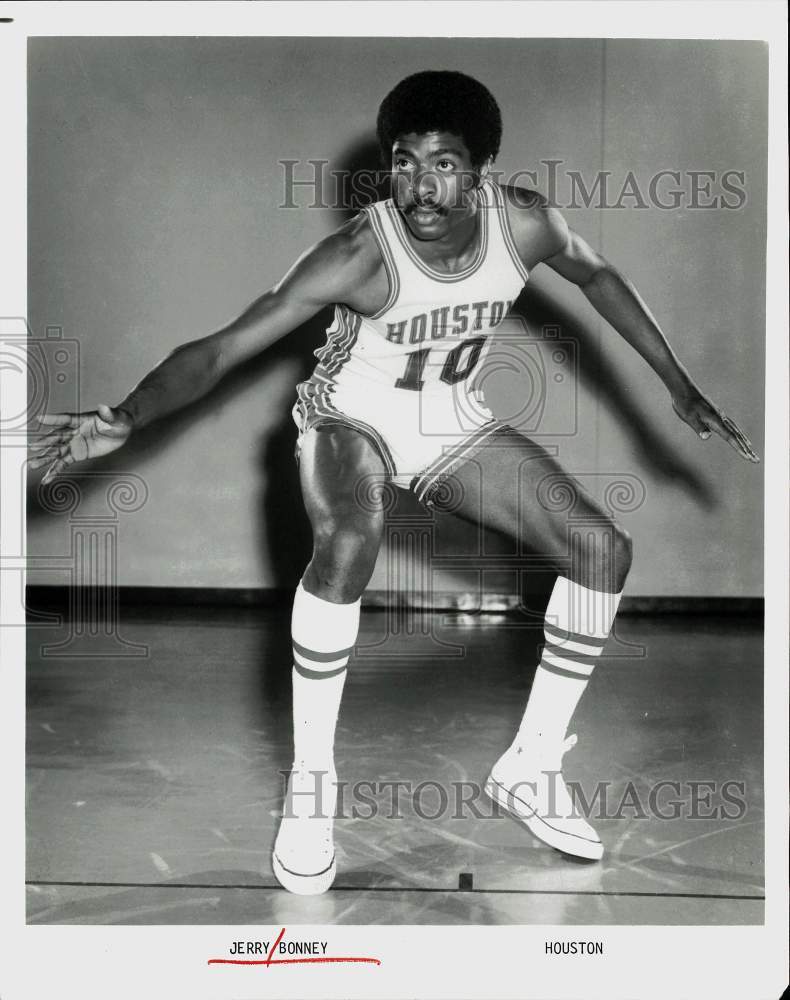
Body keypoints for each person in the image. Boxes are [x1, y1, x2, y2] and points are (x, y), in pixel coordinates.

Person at [32, 71, 759, 895]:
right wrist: (127, 414)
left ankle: (530, 764)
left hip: (452, 421)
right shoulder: (357, 253)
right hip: (350, 419)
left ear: (482, 168)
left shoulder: (525, 223)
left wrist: (678, 382)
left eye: (443, 163)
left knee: (602, 550)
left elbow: (597, 276)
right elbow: (222, 349)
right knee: (350, 534)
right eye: (405, 162)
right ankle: (311, 790)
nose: (421, 184)